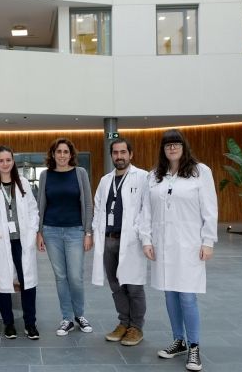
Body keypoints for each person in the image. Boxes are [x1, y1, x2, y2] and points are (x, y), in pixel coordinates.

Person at [139, 129, 218, 372]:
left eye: (176, 144)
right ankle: (179, 340)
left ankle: (194, 346)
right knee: (170, 294)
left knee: (187, 296)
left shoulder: (200, 172)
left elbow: (210, 209)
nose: (172, 148)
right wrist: (146, 240)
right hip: (163, 246)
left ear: (184, 147)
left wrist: (208, 241)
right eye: (167, 145)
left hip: (189, 245)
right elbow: (146, 211)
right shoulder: (154, 176)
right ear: (163, 149)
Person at [0, 146, 40, 340]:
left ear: (13, 162)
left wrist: (32, 231)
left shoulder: (23, 184)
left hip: (22, 241)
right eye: (1, 160)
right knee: (2, 282)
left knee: (27, 282)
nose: (5, 164)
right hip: (0, 241)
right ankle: (9, 323)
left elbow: (33, 210)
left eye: (8, 160)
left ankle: (30, 324)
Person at [91, 137, 148, 346]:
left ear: (130, 154)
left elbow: (146, 210)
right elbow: (98, 208)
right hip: (108, 240)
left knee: (133, 286)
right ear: (111, 156)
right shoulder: (105, 180)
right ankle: (124, 323)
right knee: (116, 286)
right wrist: (95, 232)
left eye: (123, 152)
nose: (119, 156)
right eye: (115, 153)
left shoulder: (142, 177)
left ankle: (136, 327)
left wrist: (139, 234)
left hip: (131, 241)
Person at [36, 138, 94, 336]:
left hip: (75, 231)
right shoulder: (45, 175)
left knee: (75, 276)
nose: (62, 155)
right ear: (53, 154)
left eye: (65, 152)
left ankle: (80, 315)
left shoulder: (80, 173)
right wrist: (39, 232)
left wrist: (88, 232)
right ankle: (67, 318)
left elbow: (88, 204)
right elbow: (41, 204)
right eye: (58, 151)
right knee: (60, 277)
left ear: (71, 155)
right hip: (51, 231)